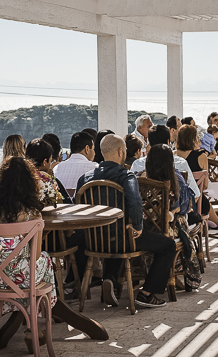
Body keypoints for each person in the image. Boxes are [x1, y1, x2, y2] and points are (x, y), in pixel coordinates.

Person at [77, 134, 175, 309]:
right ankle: (146, 294)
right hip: (121, 238)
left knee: (114, 235)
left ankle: (110, 280)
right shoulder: (126, 177)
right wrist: (137, 225)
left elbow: (78, 209)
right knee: (168, 245)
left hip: (93, 241)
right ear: (121, 152)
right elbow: (135, 203)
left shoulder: (84, 178)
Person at [0, 156, 57, 333]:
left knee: (25, 266)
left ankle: (17, 316)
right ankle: (35, 327)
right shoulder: (32, 214)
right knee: (44, 259)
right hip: (22, 281)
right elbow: (35, 255)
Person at [144, 144, 202, 290]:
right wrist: (174, 210)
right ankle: (174, 275)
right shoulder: (176, 178)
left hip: (147, 225)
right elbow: (183, 208)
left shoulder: (142, 178)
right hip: (169, 226)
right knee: (183, 222)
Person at [176, 124, 218, 230]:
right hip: (194, 203)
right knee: (202, 198)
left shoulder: (173, 155)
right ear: (193, 139)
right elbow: (205, 186)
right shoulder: (201, 156)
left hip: (175, 199)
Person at [27, 138, 70, 203]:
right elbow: (66, 203)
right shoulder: (49, 180)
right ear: (45, 162)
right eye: (50, 160)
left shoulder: (20, 177)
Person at [54, 131, 96, 198]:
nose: (94, 153)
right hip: (84, 207)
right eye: (93, 149)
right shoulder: (95, 168)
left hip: (62, 207)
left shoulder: (57, 168)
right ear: (87, 149)